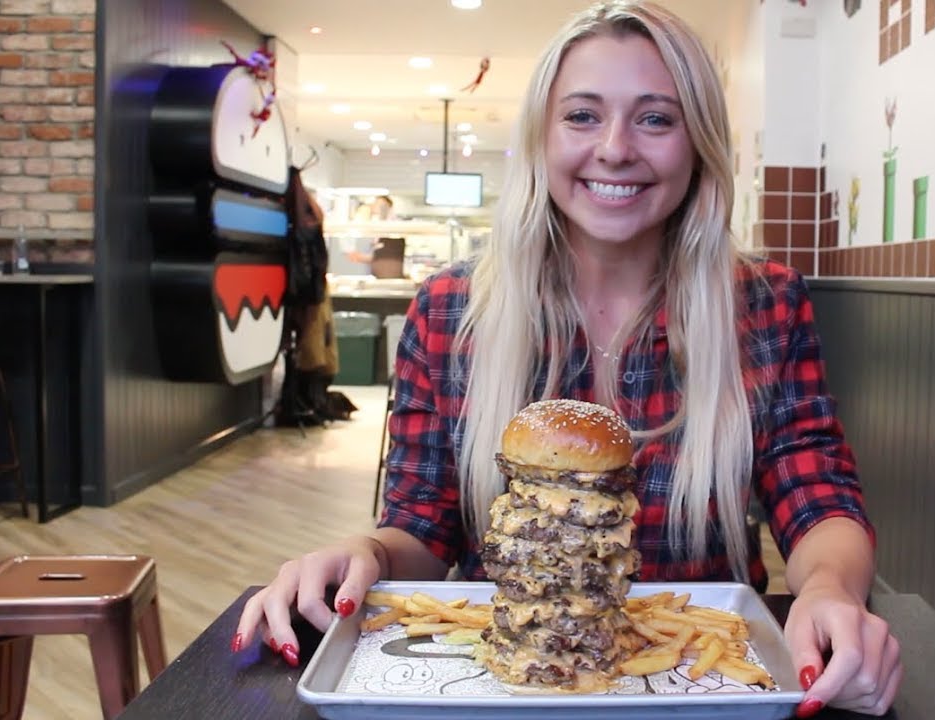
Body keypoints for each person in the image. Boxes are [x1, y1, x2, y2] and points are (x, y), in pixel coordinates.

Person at [235, 2, 900, 715]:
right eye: (582, 116)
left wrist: (828, 591)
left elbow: (817, 495)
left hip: (697, 686)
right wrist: (365, 554)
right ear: (540, 138)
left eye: (656, 118)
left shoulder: (765, 305)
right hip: (499, 684)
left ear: (700, 143)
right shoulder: (451, 311)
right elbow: (422, 525)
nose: (615, 148)